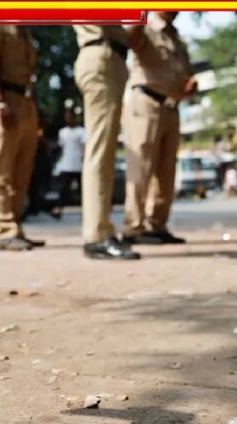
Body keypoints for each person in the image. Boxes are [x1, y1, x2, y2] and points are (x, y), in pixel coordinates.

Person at [124, 12, 196, 245]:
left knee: (166, 171)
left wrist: (188, 87)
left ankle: (157, 225)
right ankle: (133, 227)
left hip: (172, 106)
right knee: (141, 165)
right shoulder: (146, 26)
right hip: (146, 102)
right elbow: (131, 41)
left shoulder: (177, 38)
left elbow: (185, 74)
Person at [73, 25, 139, 260]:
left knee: (105, 151)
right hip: (101, 55)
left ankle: (100, 231)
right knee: (100, 151)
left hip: (109, 57)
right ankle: (97, 235)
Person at [0, 25, 44, 251]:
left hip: (25, 101)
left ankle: (17, 227)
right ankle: (6, 230)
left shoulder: (24, 28)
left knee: (21, 172)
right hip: (5, 100)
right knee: (1, 171)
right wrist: (0, 101)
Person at [54, 106, 85, 208]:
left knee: (82, 189)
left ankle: (85, 208)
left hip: (78, 165)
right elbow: (61, 148)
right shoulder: (62, 132)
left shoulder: (81, 131)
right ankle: (59, 208)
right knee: (64, 188)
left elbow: (84, 146)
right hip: (66, 165)